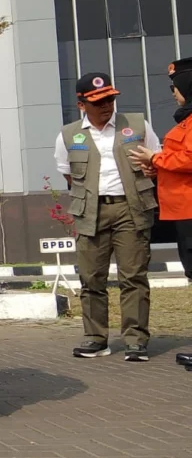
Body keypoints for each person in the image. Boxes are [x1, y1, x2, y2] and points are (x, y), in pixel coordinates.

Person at [54, 72, 161, 362]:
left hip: (131, 208)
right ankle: (95, 338)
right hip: (91, 211)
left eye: (110, 99)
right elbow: (68, 174)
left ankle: (136, 341)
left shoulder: (137, 125)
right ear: (81, 104)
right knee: (91, 279)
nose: (106, 106)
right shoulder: (68, 135)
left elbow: (156, 160)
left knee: (134, 277)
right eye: (98, 101)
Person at [130, 59, 192, 281]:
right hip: (183, 208)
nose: (173, 93)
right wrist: (159, 169)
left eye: (175, 87)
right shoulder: (186, 121)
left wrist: (155, 158)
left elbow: (189, 158)